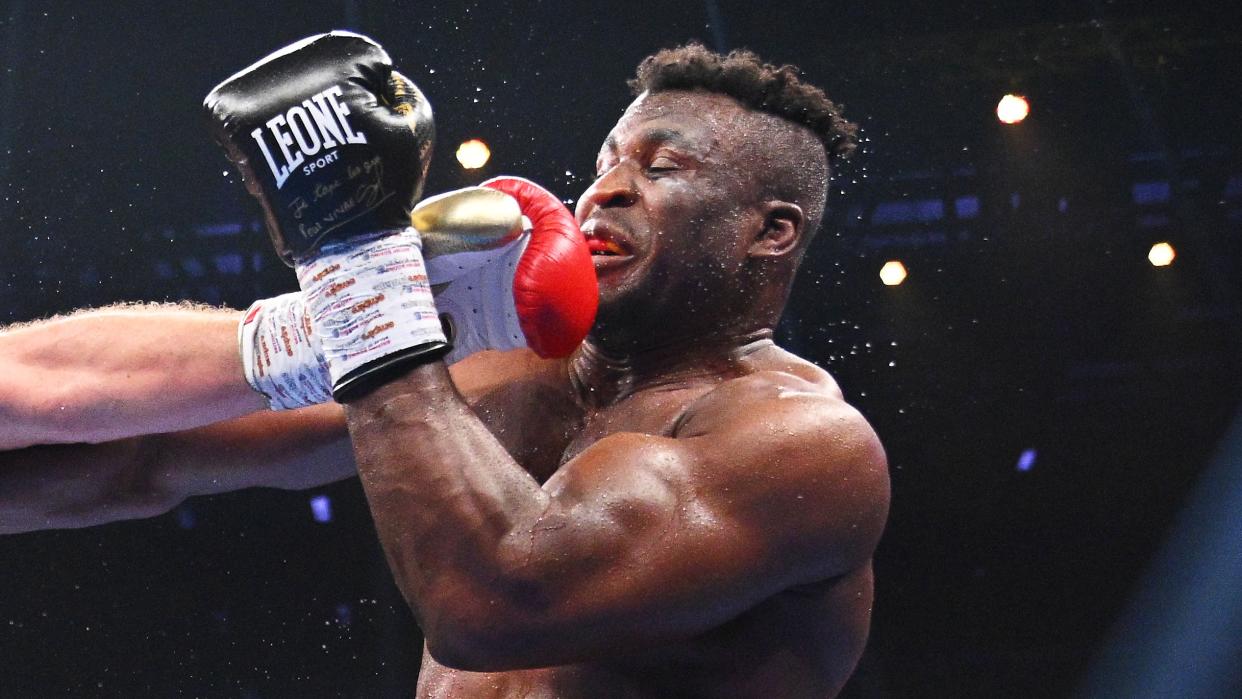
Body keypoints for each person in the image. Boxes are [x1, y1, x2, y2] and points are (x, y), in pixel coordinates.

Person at [0, 37, 889, 698]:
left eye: (662, 168)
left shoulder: (803, 445)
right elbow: (153, 453)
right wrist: (337, 315)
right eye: (605, 162)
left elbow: (498, 602)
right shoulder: (501, 367)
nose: (604, 191)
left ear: (769, 232)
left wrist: (366, 278)